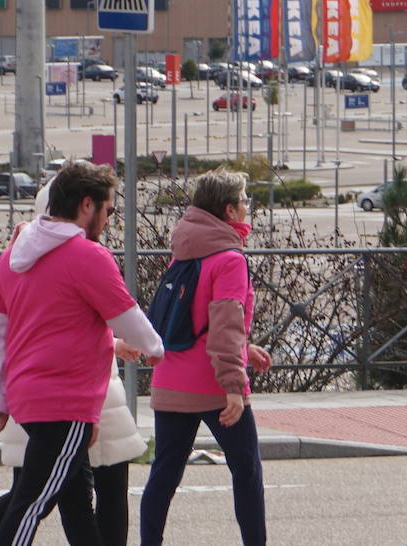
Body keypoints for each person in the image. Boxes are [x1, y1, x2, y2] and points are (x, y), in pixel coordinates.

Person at [0, 160, 164, 546]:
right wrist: (154, 348)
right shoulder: (87, 256)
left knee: (71, 497)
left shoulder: (10, 259)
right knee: (33, 503)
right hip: (65, 402)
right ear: (86, 205)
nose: (108, 221)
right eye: (107, 210)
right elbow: (125, 314)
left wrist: (0, 397)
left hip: (29, 397)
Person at [140, 167, 273, 546]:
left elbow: (190, 318)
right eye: (245, 201)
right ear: (230, 211)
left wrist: (244, 349)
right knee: (246, 471)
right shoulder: (230, 259)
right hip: (215, 386)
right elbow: (226, 324)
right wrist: (234, 384)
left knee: (164, 474)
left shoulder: (183, 251)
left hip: (170, 380)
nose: (248, 208)